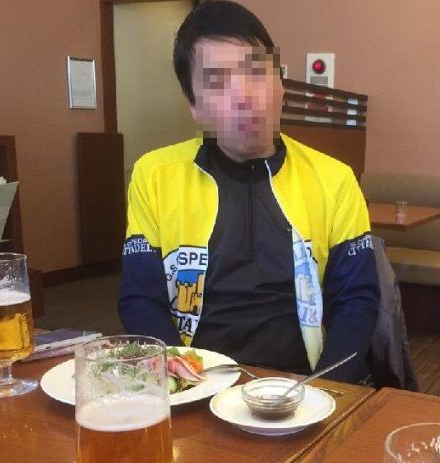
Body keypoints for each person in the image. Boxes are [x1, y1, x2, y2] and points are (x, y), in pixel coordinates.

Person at [118, 0, 379, 383]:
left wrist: (325, 390)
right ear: (194, 106)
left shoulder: (334, 178)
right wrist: (178, 378)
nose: (244, 96)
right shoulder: (154, 175)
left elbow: (357, 301)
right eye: (217, 82)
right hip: (197, 381)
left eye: (256, 72)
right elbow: (141, 298)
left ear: (280, 85)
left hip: (303, 383)